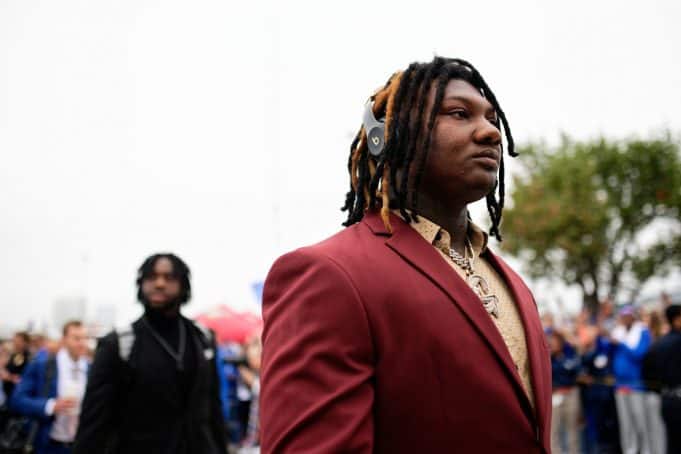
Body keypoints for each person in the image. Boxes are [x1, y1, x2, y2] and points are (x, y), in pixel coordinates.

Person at [261, 57, 551, 453]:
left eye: (492, 119)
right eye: (460, 114)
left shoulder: (511, 281)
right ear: (393, 136)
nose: (490, 132)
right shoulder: (329, 274)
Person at [73, 253, 227, 454]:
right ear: (141, 284)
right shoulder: (118, 344)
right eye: (151, 277)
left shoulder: (202, 339)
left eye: (169, 277)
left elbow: (213, 411)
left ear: (183, 285)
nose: (159, 284)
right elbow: (93, 423)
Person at [10, 321, 88, 454]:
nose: (81, 343)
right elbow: (17, 399)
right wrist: (50, 406)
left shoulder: (90, 368)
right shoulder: (43, 365)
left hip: (81, 444)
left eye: (84, 338)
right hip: (49, 444)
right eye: (76, 338)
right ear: (64, 340)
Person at [610, 306, 653, 454]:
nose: (625, 319)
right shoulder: (618, 331)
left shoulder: (642, 331)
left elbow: (639, 354)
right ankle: (629, 450)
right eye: (623, 316)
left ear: (634, 317)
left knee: (640, 420)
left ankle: (646, 450)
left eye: (628, 316)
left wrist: (621, 344)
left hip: (636, 384)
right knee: (625, 422)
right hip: (620, 384)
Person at [644, 304, 681, 454]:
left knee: (672, 443)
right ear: (677, 320)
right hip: (676, 398)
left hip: (666, 399)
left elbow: (647, 375)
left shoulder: (658, 344)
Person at [549, 330, 581, 454]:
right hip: (554, 395)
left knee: (572, 430)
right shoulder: (547, 357)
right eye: (551, 342)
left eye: (555, 342)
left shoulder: (570, 353)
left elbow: (575, 369)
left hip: (570, 393)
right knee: (553, 431)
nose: (553, 344)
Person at [1, 332, 31, 400]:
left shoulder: (26, 357)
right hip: (8, 390)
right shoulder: (15, 354)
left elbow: (21, 377)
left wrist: (8, 377)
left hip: (16, 393)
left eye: (18, 341)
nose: (15, 343)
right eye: (14, 340)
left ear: (25, 342)